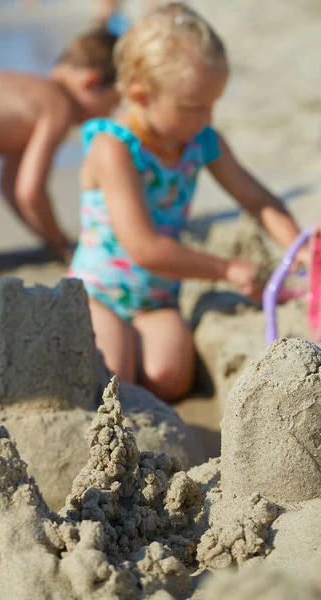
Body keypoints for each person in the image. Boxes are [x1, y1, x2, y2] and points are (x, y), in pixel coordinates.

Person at [69, 3, 305, 402]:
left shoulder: (200, 140)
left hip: (157, 298)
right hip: (98, 293)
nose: (207, 116)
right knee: (113, 377)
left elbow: (257, 198)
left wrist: (299, 247)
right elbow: (143, 247)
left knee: (169, 377)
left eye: (213, 103)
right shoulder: (114, 148)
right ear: (141, 96)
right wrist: (227, 269)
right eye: (194, 106)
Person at [0, 28, 119, 292]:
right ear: (92, 82)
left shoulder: (32, 95)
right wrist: (61, 244)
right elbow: (30, 192)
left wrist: (51, 241)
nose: (110, 114)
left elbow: (10, 186)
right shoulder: (57, 103)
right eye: (113, 103)